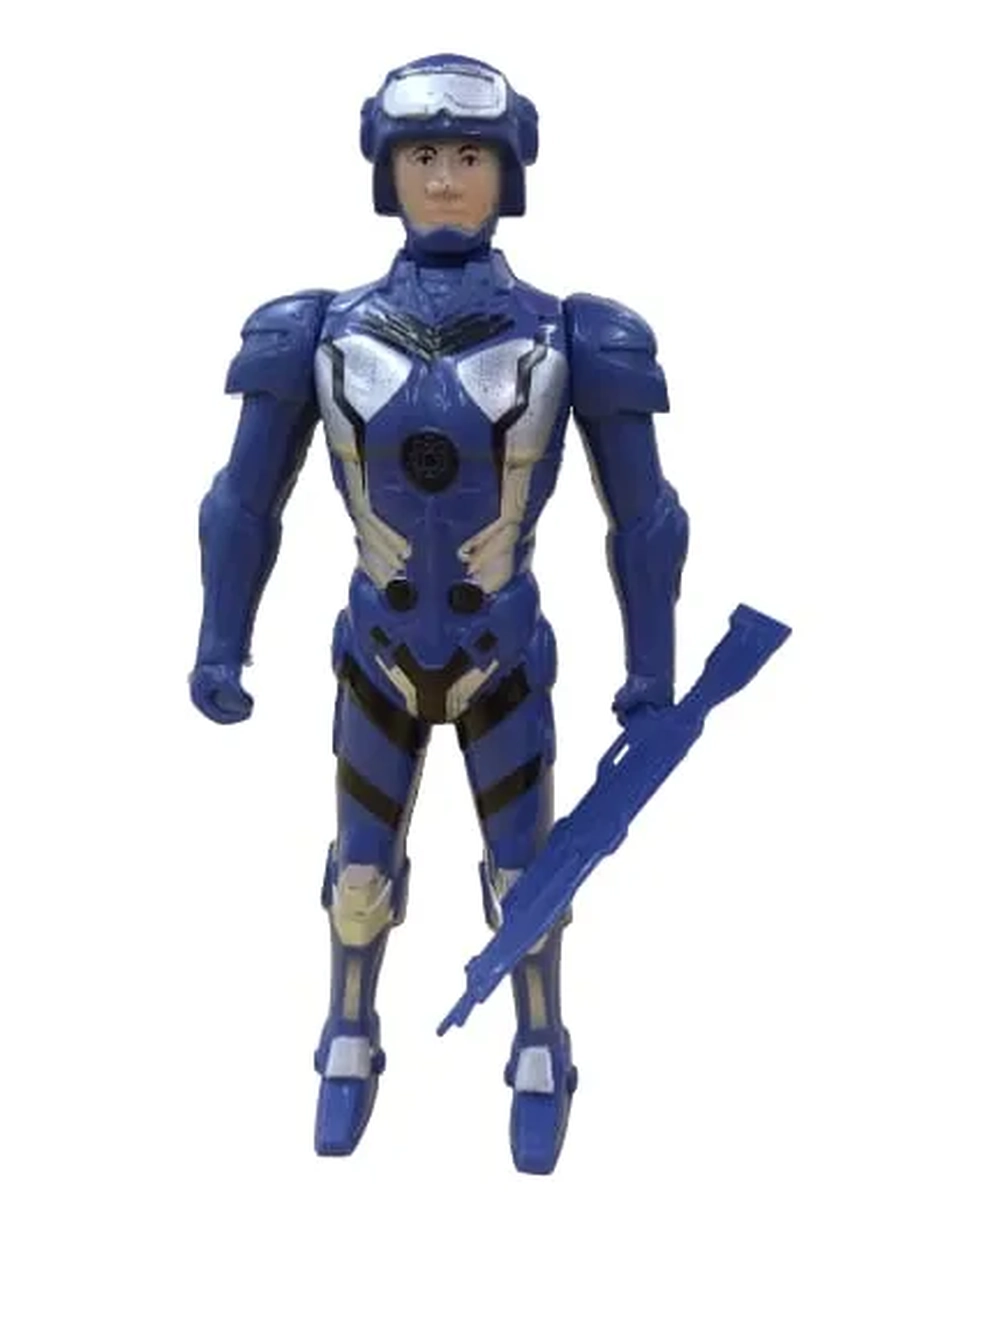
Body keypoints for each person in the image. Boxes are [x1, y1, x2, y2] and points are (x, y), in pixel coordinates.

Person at [191, 53, 688, 1174]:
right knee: (359, 874)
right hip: (376, 650)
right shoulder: (314, 331)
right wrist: (221, 641)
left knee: (528, 877)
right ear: (387, 170)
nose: (447, 179)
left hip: (501, 653)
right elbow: (241, 503)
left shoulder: (575, 336)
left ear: (509, 172)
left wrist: (650, 671)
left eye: (470, 155)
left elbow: (645, 518)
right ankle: (346, 1040)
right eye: (423, 155)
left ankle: (541, 1049)